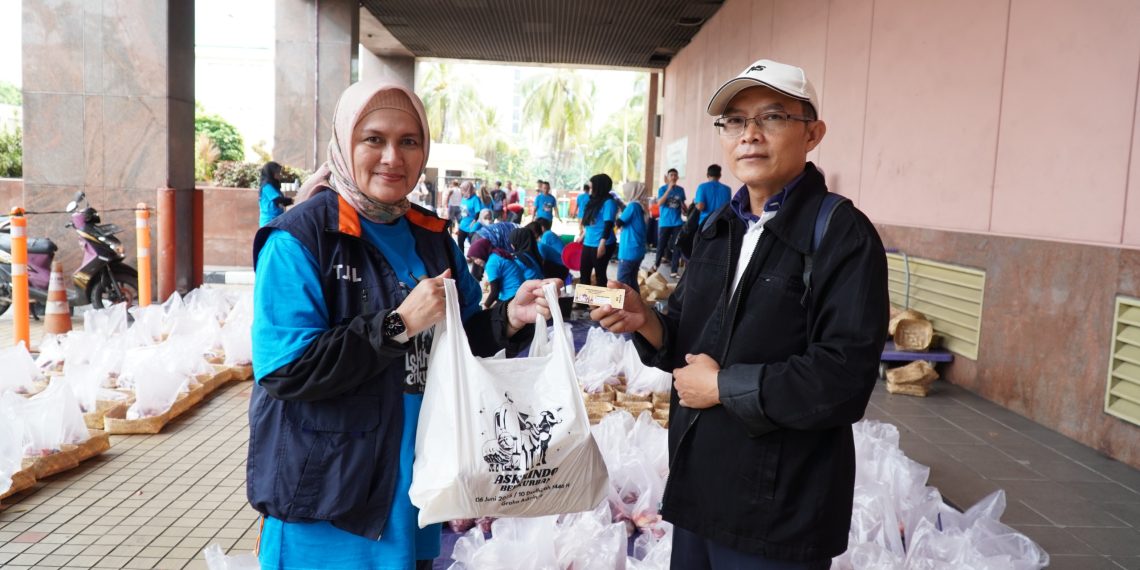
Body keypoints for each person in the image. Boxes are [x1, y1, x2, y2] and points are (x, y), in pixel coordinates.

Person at [248, 78, 560, 570]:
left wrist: (509, 318)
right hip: (330, 496)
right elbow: (287, 369)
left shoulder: (431, 237)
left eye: (408, 141)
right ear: (345, 144)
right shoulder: (302, 239)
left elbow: (457, 339)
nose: (392, 156)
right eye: (374, 139)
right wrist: (396, 325)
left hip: (414, 484)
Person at [590, 59, 889, 569]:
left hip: (779, 512)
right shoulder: (718, 227)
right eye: (735, 121)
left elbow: (844, 377)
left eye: (771, 117)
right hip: (699, 494)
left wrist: (724, 387)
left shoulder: (841, 233)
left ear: (812, 134)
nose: (749, 134)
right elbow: (688, 338)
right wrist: (646, 320)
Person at [483, 234, 542, 310]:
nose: (510, 245)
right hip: (534, 287)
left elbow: (511, 276)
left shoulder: (518, 259)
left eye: (512, 242)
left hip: (526, 291)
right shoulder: (528, 255)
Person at [578, 174, 618, 286]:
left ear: (599, 187)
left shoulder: (609, 202)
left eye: (591, 187)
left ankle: (601, 303)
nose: (589, 190)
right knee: (584, 273)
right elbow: (590, 222)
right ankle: (583, 303)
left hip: (602, 243)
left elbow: (608, 224)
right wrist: (582, 236)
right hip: (589, 241)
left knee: (599, 274)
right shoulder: (593, 201)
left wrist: (602, 244)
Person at [615, 181, 649, 293]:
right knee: (632, 281)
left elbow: (619, 222)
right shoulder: (641, 206)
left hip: (629, 251)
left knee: (621, 282)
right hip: (638, 250)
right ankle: (637, 306)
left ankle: (623, 308)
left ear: (632, 192)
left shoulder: (633, 206)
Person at [654, 168, 686, 278]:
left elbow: (682, 204)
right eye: (671, 175)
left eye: (675, 175)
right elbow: (659, 203)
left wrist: (685, 209)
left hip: (677, 223)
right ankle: (655, 265)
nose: (673, 177)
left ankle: (674, 270)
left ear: (677, 177)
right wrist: (668, 190)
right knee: (661, 246)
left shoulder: (681, 190)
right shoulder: (662, 189)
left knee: (677, 245)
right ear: (667, 177)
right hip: (665, 223)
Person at [258, 161, 293, 227]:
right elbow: (277, 199)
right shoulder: (267, 186)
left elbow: (283, 203)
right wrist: (292, 200)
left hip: (277, 220)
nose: (280, 174)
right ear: (271, 173)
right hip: (269, 221)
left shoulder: (274, 186)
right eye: (278, 172)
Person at [457, 181, 487, 250]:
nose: (462, 192)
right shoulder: (464, 198)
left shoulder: (475, 199)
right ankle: (461, 259)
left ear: (468, 189)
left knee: (473, 245)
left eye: (463, 190)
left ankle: (473, 259)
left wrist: (474, 222)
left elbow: (478, 212)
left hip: (472, 226)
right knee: (460, 244)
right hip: (463, 225)